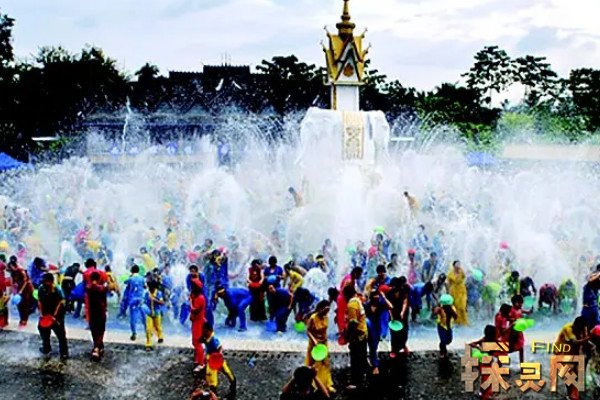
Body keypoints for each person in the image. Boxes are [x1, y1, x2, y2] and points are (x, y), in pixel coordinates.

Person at [554, 317, 589, 400]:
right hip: (561, 353)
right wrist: (587, 338)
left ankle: (572, 394)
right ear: (575, 326)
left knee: (577, 374)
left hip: (573, 353)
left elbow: (585, 341)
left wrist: (587, 337)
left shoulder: (581, 330)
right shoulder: (568, 329)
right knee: (570, 374)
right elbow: (575, 342)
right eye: (581, 330)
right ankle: (571, 394)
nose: (582, 332)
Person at [305, 300, 335, 395]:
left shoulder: (326, 317)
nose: (327, 313)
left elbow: (325, 330)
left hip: (323, 343)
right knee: (312, 364)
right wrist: (314, 340)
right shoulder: (313, 318)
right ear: (320, 309)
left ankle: (327, 384)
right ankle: (312, 385)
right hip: (314, 345)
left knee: (325, 363)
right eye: (325, 310)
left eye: (328, 311)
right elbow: (308, 331)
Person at [200, 323, 237, 398]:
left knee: (226, 373)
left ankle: (232, 389)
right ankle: (214, 395)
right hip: (211, 360)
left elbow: (220, 347)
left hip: (216, 359)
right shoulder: (206, 337)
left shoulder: (213, 340)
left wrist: (219, 355)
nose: (204, 333)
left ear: (209, 331)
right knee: (213, 379)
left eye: (205, 331)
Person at [37, 273, 68, 359]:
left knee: (60, 333)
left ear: (51, 282)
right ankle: (46, 348)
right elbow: (39, 301)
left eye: (45, 281)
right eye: (43, 281)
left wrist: (55, 316)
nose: (44, 283)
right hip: (46, 312)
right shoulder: (41, 288)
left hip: (57, 313)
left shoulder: (57, 289)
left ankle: (64, 352)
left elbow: (60, 303)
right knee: (42, 329)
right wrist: (41, 314)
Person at [343, 284, 368, 391]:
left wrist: (347, 336)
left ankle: (356, 382)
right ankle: (362, 378)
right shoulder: (357, 300)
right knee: (361, 357)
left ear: (346, 295)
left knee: (355, 359)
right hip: (363, 333)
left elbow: (353, 323)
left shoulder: (352, 304)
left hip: (358, 336)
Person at [365, 289, 392, 375]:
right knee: (368, 346)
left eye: (377, 295)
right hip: (367, 328)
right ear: (371, 296)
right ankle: (374, 364)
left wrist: (384, 297)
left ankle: (374, 364)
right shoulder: (366, 305)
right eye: (374, 295)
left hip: (376, 328)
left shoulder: (381, 304)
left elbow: (391, 307)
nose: (376, 296)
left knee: (374, 347)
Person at [335, 267, 363, 343]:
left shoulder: (350, 277)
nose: (360, 276)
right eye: (359, 274)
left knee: (343, 316)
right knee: (343, 317)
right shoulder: (349, 280)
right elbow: (344, 290)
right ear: (355, 273)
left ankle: (344, 333)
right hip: (343, 299)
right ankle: (343, 335)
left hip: (342, 298)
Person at [87, 271, 108, 361]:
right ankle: (97, 348)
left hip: (92, 312)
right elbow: (105, 288)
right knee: (101, 330)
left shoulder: (88, 288)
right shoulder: (102, 288)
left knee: (94, 330)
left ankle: (98, 346)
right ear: (99, 279)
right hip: (101, 312)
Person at [8, 255, 34, 326]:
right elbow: (12, 283)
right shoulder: (12, 271)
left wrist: (21, 291)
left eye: (12, 266)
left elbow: (25, 281)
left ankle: (24, 320)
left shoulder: (20, 269)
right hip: (19, 289)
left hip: (26, 289)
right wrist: (11, 293)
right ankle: (22, 319)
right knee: (19, 305)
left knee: (25, 305)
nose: (11, 268)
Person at [123, 264, 146, 341]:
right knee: (144, 316)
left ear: (131, 271)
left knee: (133, 317)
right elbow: (145, 286)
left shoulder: (131, 279)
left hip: (133, 299)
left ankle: (134, 333)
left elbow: (125, 282)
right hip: (141, 299)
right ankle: (147, 331)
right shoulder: (142, 278)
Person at [389, 277, 410, 356]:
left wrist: (402, 312)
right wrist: (391, 316)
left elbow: (405, 302)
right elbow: (389, 306)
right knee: (394, 333)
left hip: (403, 314)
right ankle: (393, 350)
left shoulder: (403, 291)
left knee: (404, 332)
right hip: (393, 314)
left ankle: (403, 345)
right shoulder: (390, 292)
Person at [190, 276, 206, 372]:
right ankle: (198, 358)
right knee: (194, 342)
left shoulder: (200, 298)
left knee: (197, 342)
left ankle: (201, 363)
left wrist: (190, 302)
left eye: (192, 286)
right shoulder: (195, 296)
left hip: (198, 323)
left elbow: (194, 310)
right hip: (195, 322)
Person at [144, 280, 165, 350]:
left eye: (151, 287)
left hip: (156, 312)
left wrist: (154, 300)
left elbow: (162, 302)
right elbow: (144, 302)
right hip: (149, 313)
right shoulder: (147, 293)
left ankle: (160, 337)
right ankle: (148, 344)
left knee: (158, 326)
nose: (150, 289)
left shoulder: (159, 293)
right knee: (148, 329)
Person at [447, 260, 468, 326]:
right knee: (456, 306)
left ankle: (464, 322)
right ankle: (457, 321)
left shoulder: (461, 271)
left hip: (462, 290)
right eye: (457, 264)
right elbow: (448, 283)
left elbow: (464, 277)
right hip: (454, 291)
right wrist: (448, 292)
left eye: (459, 264)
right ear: (454, 265)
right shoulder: (450, 273)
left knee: (463, 305)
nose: (459, 265)